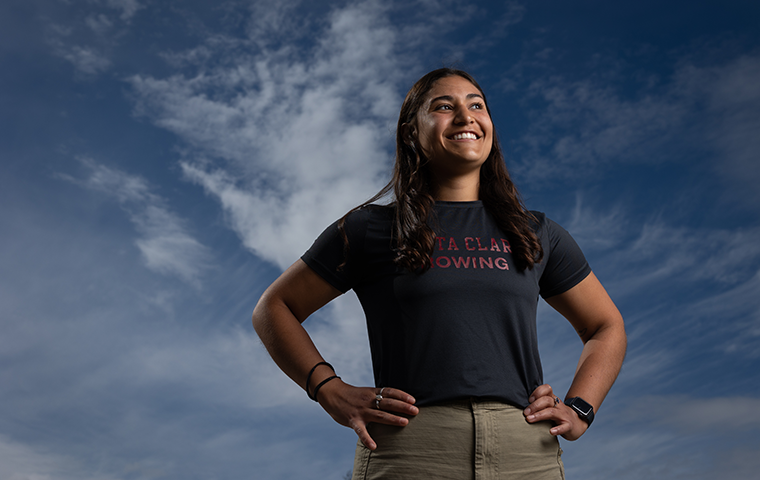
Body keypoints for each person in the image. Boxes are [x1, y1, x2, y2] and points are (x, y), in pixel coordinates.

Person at [252, 68, 626, 479]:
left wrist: (579, 408)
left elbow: (605, 325)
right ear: (412, 132)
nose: (466, 116)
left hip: (525, 451)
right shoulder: (369, 229)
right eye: (445, 107)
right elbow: (274, 308)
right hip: (411, 450)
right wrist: (328, 390)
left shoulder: (536, 231)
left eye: (476, 105)